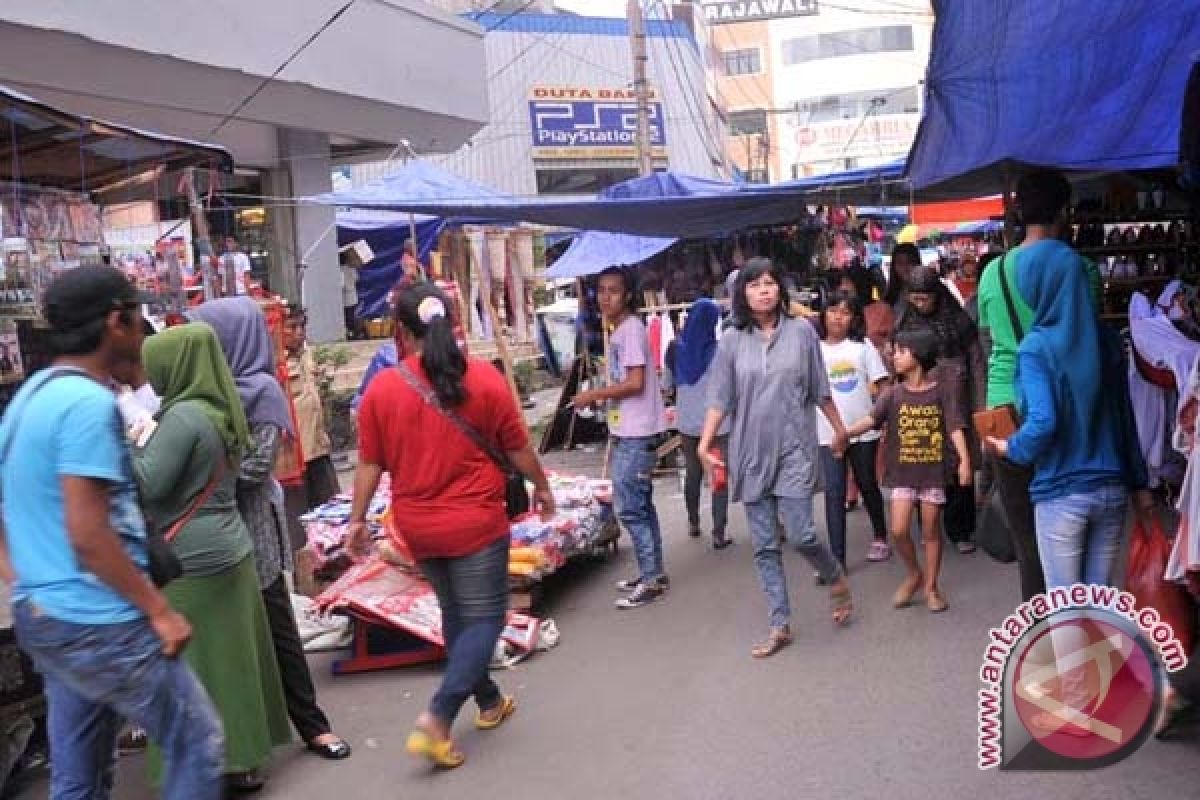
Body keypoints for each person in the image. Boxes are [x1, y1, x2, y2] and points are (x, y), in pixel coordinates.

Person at [0, 267, 223, 800]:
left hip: (49, 618)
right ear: (115, 321)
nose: (144, 334)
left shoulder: (31, 396)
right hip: (103, 623)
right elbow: (89, 532)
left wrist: (28, 581)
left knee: (80, 777)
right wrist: (158, 611)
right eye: (137, 319)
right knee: (198, 742)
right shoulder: (86, 405)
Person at [347, 283, 555, 769]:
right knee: (484, 619)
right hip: (475, 524)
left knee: (456, 615)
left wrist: (357, 520)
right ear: (454, 322)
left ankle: (488, 700)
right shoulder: (483, 379)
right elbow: (519, 449)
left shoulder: (381, 388)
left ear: (401, 329)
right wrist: (542, 488)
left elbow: (368, 465)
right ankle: (437, 718)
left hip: (417, 527)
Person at [188, 298, 351, 761]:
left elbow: (258, 467)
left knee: (277, 626)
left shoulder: (260, 390)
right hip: (214, 533)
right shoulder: (205, 393)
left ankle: (314, 726)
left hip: (253, 527)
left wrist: (199, 473)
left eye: (210, 336)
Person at [134, 322, 291, 792]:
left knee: (195, 667)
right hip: (229, 546)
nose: (147, 372)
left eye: (154, 362)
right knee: (233, 662)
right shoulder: (219, 408)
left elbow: (147, 484)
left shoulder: (181, 418)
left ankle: (196, 767)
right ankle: (242, 758)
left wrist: (119, 442)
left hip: (189, 557)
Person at [698, 257, 854, 658]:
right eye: (754, 285)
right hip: (749, 453)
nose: (763, 290)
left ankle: (832, 573)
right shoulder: (731, 340)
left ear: (780, 290)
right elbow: (720, 397)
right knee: (765, 545)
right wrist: (705, 443)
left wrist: (839, 429)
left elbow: (819, 388)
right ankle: (779, 623)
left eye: (769, 283)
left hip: (794, 450)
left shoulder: (802, 332)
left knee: (801, 534)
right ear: (742, 294)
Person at [983, 243, 1153, 590]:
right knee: (1096, 606)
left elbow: (1043, 422)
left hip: (1062, 493)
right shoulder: (1106, 340)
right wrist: (1140, 486)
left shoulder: (1036, 346)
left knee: (1066, 617)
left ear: (1036, 288)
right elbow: (1125, 419)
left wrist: (1009, 448)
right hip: (1112, 490)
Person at [976, 169, 1102, 602]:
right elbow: (1086, 340)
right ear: (1063, 212)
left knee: (1029, 543)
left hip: (1000, 413)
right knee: (1073, 536)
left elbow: (990, 336)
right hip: (1060, 410)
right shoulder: (1078, 268)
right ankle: (1077, 631)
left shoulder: (992, 272)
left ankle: (1039, 640)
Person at [847, 328, 972, 613]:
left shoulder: (941, 391)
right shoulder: (892, 394)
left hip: (933, 474)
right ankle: (914, 573)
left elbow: (954, 426)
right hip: (903, 473)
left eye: (901, 351)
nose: (894, 356)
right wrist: (845, 434)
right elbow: (871, 420)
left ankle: (931, 586)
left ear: (918, 355)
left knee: (931, 531)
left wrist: (964, 461)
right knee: (899, 529)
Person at [573, 267, 669, 609]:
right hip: (630, 428)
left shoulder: (630, 330)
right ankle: (652, 571)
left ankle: (652, 578)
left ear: (627, 295)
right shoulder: (620, 330)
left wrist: (594, 396)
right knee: (642, 505)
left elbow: (635, 383)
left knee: (631, 509)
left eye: (613, 290)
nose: (605, 297)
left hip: (637, 431)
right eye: (601, 290)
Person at [894, 264, 985, 553]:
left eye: (925, 298)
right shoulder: (904, 322)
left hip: (957, 398)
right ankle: (929, 530)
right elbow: (894, 361)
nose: (919, 304)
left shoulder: (959, 323)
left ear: (937, 294)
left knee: (960, 463)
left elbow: (977, 364)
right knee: (924, 461)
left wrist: (982, 404)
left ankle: (961, 529)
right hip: (920, 403)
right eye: (915, 298)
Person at [817, 290, 890, 567]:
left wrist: (879, 419)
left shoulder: (863, 348)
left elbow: (883, 386)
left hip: (863, 430)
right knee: (834, 492)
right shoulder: (814, 350)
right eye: (833, 310)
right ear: (823, 314)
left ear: (854, 318)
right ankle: (837, 560)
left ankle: (881, 536)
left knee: (867, 482)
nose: (838, 317)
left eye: (845, 312)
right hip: (827, 433)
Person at [665, 298, 731, 549]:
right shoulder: (721, 350)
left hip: (688, 423)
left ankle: (693, 521)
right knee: (718, 475)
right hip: (717, 424)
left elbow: (667, 385)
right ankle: (718, 532)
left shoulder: (673, 349)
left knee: (693, 473)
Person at [281, 306, 342, 548]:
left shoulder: (306, 354)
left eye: (302, 327)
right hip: (295, 458)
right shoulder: (276, 362)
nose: (299, 333)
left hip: (318, 448)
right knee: (300, 531)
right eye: (292, 328)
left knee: (332, 517)